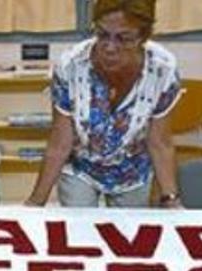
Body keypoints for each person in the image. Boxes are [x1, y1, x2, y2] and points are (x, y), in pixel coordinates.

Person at [26, 0, 183, 209]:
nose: (109, 47)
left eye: (124, 39)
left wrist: (171, 199)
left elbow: (160, 144)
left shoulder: (162, 69)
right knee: (78, 232)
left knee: (129, 236)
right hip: (81, 169)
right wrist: (36, 202)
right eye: (102, 34)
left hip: (132, 171)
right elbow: (60, 143)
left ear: (143, 37)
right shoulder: (70, 65)